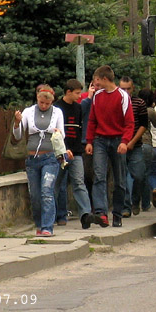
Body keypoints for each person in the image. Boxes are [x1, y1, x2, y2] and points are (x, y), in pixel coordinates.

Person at [85, 65, 134, 227]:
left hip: (118, 139)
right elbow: (92, 120)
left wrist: (125, 141)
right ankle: (101, 212)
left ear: (105, 79)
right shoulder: (97, 97)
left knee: (120, 179)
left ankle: (118, 213)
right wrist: (90, 141)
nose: (96, 84)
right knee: (99, 175)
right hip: (100, 139)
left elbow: (129, 122)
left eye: (97, 81)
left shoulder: (122, 96)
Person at [12, 84, 64, 237]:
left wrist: (58, 134)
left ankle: (48, 226)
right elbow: (18, 135)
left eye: (47, 104)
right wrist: (17, 122)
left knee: (46, 191)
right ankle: (40, 225)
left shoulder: (57, 112)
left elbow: (62, 134)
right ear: (38, 99)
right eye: (42, 102)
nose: (44, 106)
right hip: (32, 158)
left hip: (50, 157)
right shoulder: (29, 111)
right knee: (35, 194)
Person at [53, 79, 102, 230]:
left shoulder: (78, 108)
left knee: (79, 182)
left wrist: (85, 143)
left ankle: (85, 214)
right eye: (77, 93)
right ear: (68, 92)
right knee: (56, 184)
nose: (79, 96)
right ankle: (51, 215)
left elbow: (81, 127)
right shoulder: (57, 108)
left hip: (77, 151)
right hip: (60, 153)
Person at [119, 76, 150, 217]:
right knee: (122, 177)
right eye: (122, 89)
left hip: (135, 145)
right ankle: (126, 207)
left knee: (139, 175)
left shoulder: (139, 103)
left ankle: (135, 201)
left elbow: (144, 125)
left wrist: (132, 142)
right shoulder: (116, 102)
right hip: (119, 145)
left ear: (133, 89)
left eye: (128, 89)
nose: (125, 91)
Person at [140, 87, 156, 209]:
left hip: (147, 144)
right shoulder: (153, 111)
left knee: (148, 173)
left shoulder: (136, 109)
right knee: (155, 172)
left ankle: (153, 189)